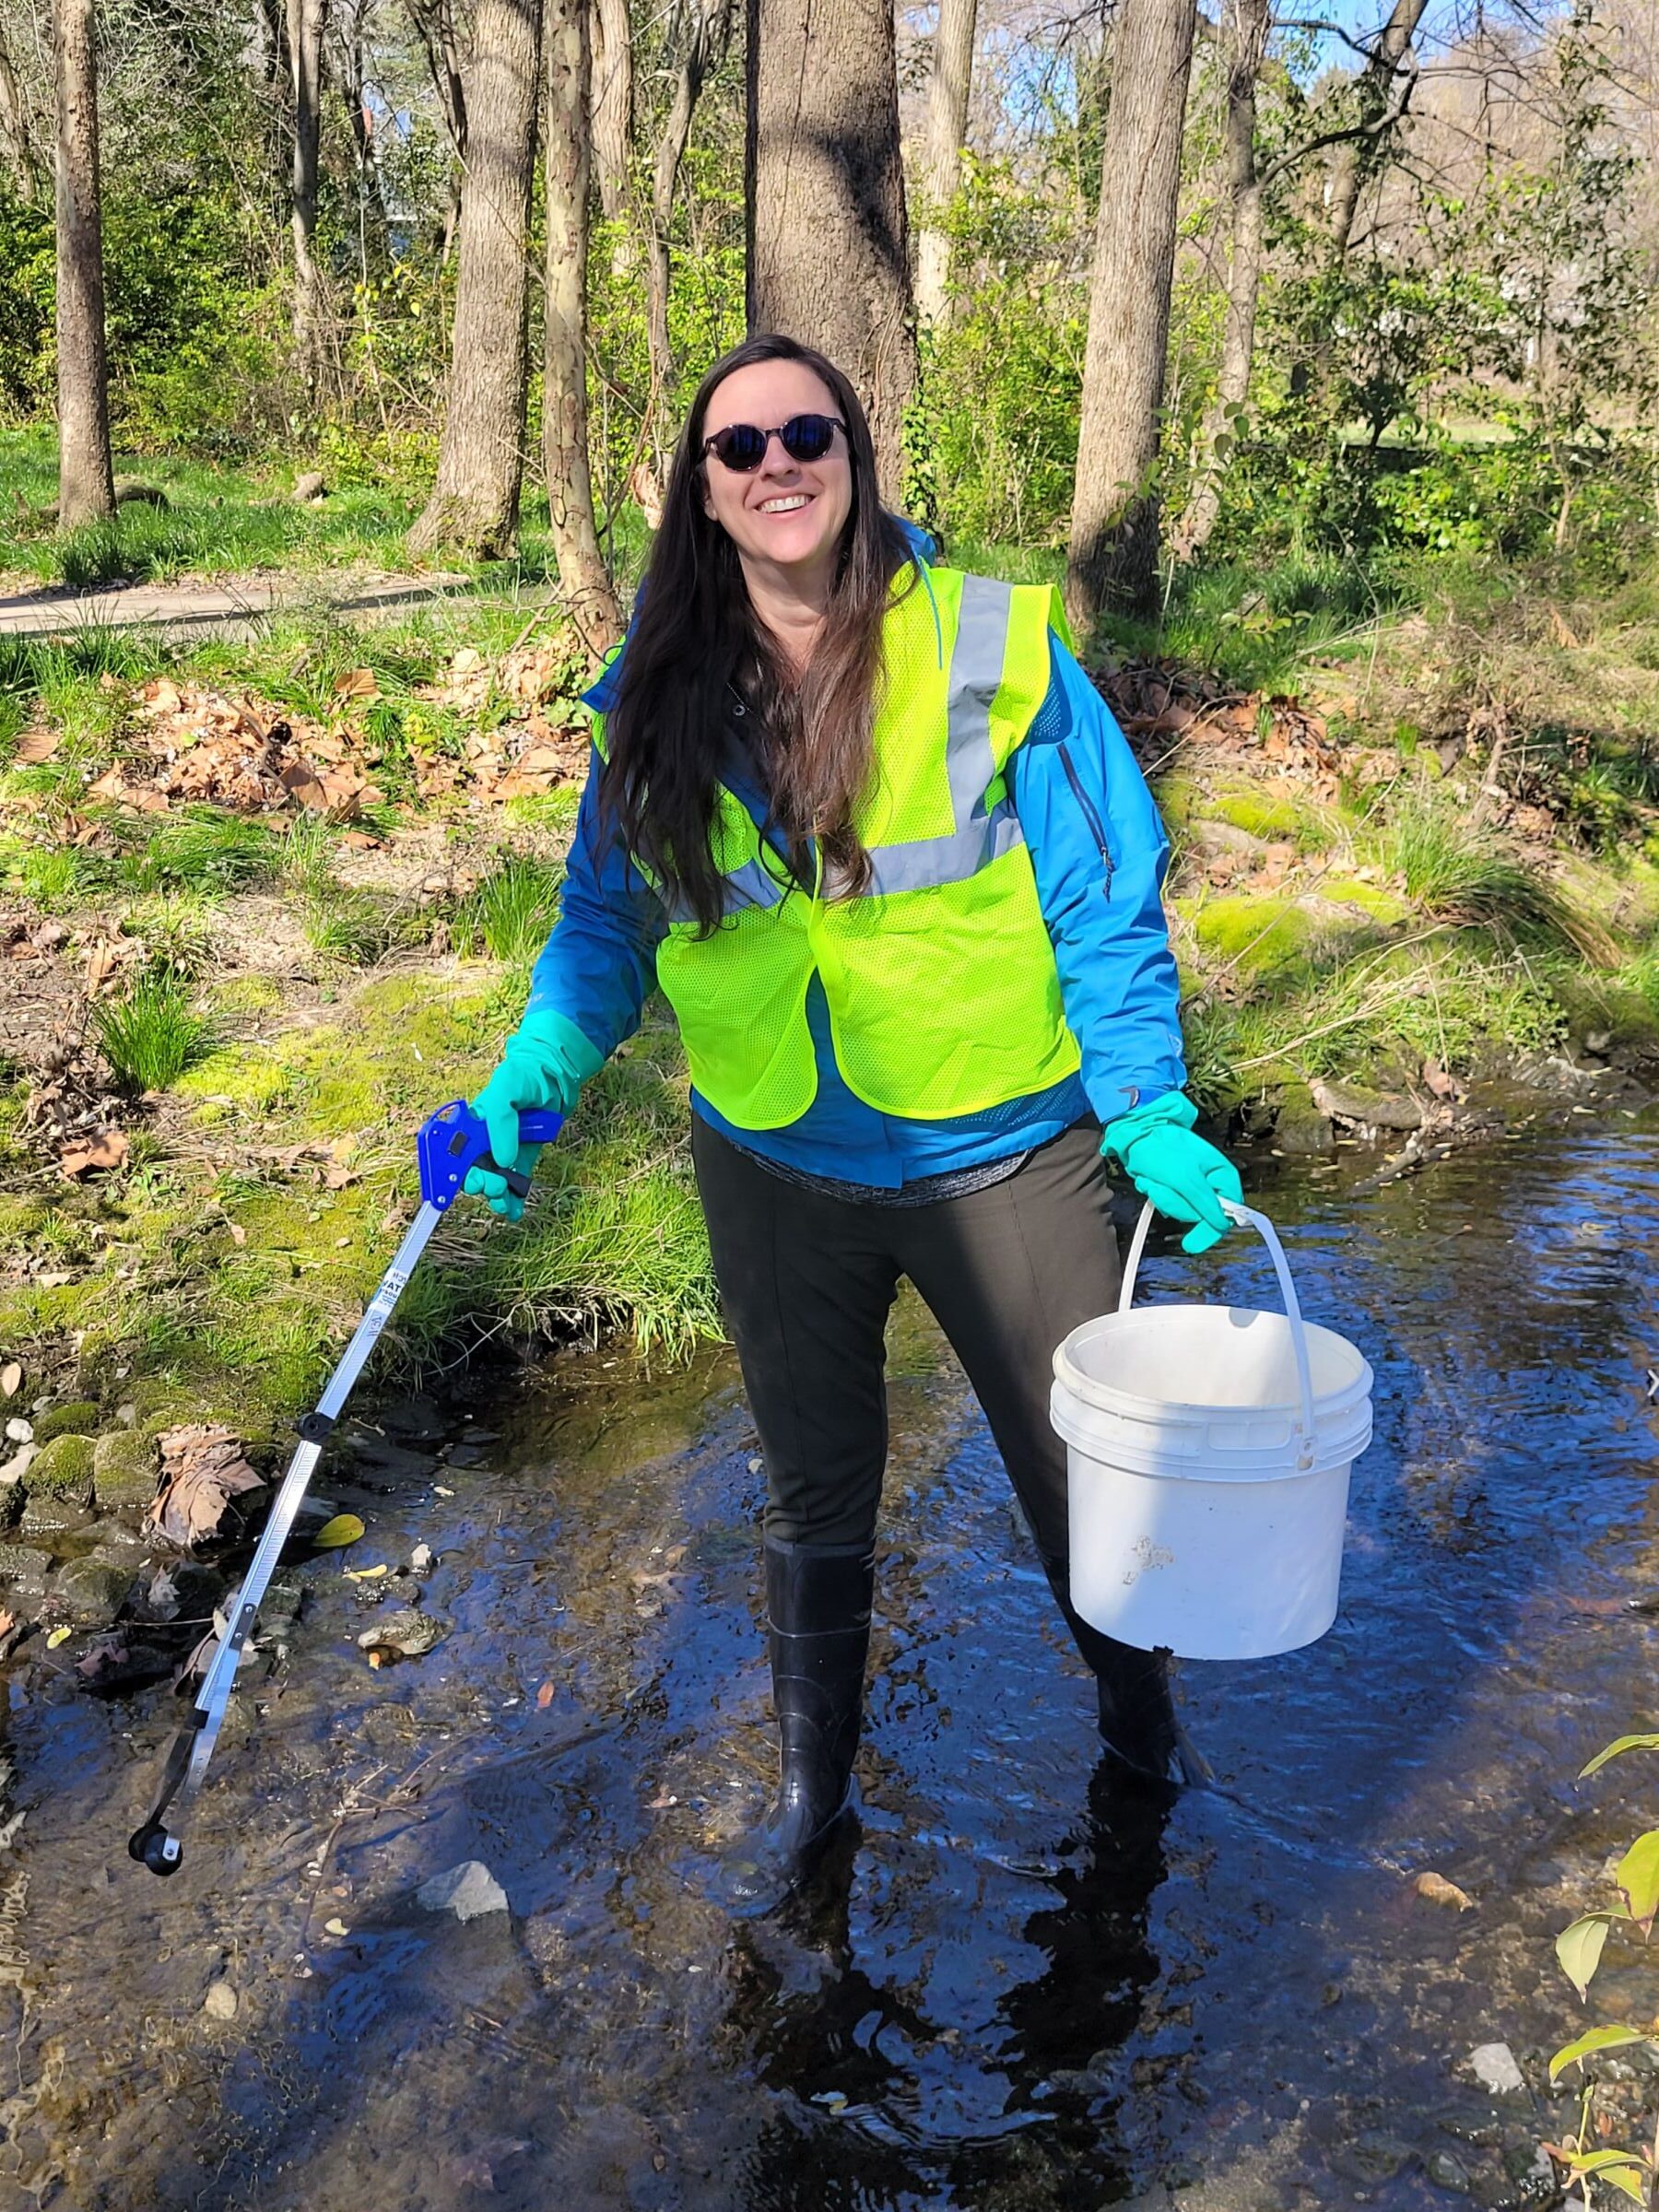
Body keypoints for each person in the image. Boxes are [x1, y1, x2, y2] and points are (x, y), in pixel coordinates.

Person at [465, 332, 1242, 1908]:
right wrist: (526, 1082)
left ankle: (1144, 1757)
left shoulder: (996, 647)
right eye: (738, 448)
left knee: (1077, 1477)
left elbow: (1105, 900)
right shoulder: (655, 694)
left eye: (804, 432)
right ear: (702, 492)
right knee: (814, 1493)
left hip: (1008, 1150)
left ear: (856, 452)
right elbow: (604, 929)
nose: (776, 466)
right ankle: (813, 1814)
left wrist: (1145, 1101)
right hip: (770, 1158)